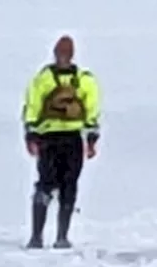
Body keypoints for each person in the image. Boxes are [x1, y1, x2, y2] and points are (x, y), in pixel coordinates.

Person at [21, 34, 101, 249]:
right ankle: (59, 237)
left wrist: (30, 133)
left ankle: (38, 237)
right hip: (70, 139)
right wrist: (92, 138)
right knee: (67, 186)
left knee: (47, 185)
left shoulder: (44, 78)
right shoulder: (83, 79)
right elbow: (91, 110)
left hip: (50, 138)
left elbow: (32, 107)